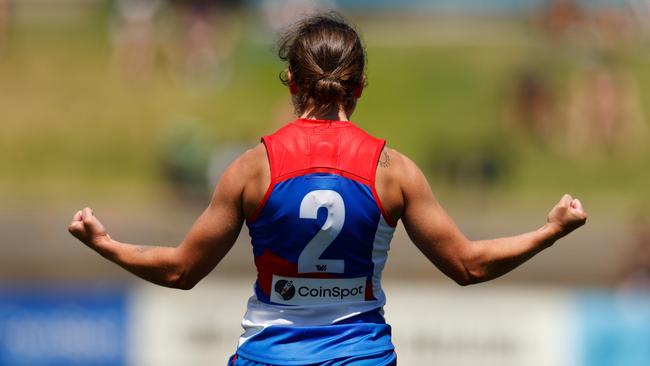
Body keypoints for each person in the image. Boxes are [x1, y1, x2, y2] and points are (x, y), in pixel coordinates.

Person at [68, 12, 588, 366]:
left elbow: (181, 270)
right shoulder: (392, 171)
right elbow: (469, 265)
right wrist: (551, 230)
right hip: (363, 354)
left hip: (269, 356)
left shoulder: (254, 169)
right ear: (359, 87)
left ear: (291, 83)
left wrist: (106, 245)